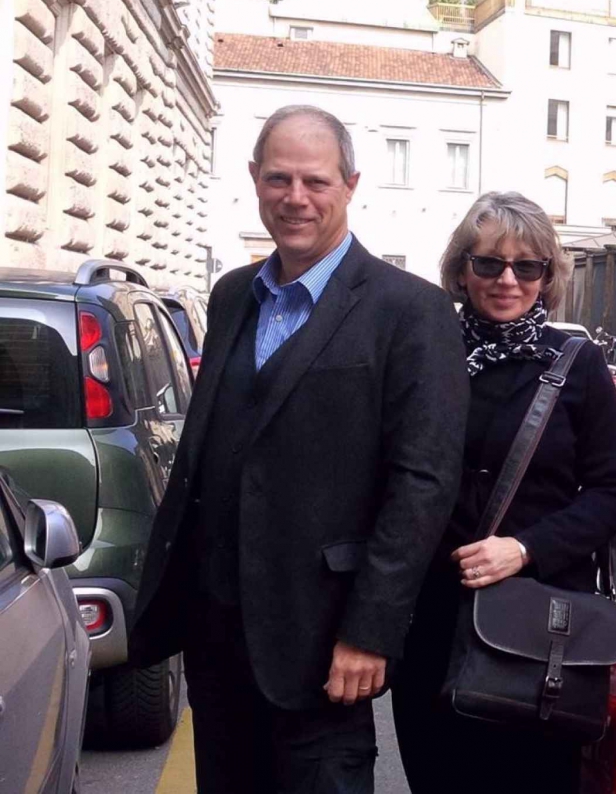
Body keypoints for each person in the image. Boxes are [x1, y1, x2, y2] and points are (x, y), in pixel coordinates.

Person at [130, 105, 469, 793]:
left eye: (315, 181)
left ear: (350, 184)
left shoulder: (410, 311)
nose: (295, 197)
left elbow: (423, 481)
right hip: (218, 639)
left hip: (325, 646)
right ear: (254, 179)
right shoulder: (233, 297)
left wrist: (371, 628)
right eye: (278, 178)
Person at [393, 191, 616, 793]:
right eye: (489, 264)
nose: (507, 280)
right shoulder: (427, 354)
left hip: (534, 630)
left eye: (527, 267)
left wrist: (523, 548)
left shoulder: (577, 365)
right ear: (460, 270)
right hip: (431, 622)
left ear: (547, 277)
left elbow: (609, 494)